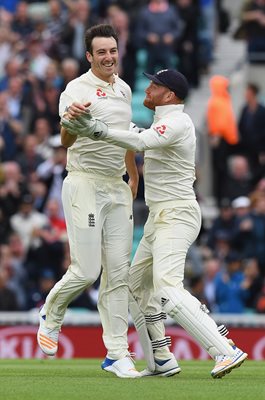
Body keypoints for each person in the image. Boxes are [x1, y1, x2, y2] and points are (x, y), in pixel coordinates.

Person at [63, 68, 248, 378]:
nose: (146, 90)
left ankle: (225, 350)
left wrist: (96, 129)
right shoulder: (165, 120)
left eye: (154, 85)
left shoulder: (177, 122)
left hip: (177, 215)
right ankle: (160, 356)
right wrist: (96, 120)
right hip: (159, 218)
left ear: (169, 95)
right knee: (135, 286)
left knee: (166, 287)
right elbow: (135, 132)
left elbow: (142, 140)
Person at [37, 24, 140, 379]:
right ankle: (51, 314)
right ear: (89, 56)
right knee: (86, 270)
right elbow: (65, 139)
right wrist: (73, 121)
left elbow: (123, 136)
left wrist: (133, 175)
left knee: (118, 275)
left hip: (116, 186)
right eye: (102, 53)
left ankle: (117, 353)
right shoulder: (75, 90)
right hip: (83, 182)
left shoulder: (125, 90)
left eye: (112, 50)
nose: (109, 57)